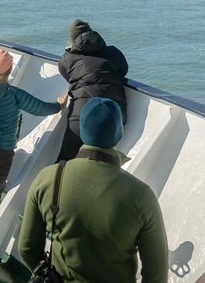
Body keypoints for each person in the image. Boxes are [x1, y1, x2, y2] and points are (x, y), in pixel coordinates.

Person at [18, 97, 168, 282]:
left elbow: (27, 248)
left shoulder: (48, 178)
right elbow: (157, 276)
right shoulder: (142, 195)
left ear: (82, 132)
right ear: (119, 135)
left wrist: (49, 276)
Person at [0, 49, 63, 243]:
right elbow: (39, 108)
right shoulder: (13, 94)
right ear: (10, 69)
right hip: (0, 153)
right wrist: (59, 105)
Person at [57, 19, 128, 162]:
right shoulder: (113, 52)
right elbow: (124, 70)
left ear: (73, 40)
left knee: (65, 159)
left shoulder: (66, 59)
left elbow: (69, 77)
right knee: (105, 162)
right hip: (114, 114)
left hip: (81, 114)